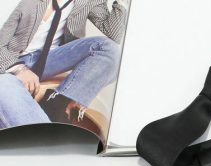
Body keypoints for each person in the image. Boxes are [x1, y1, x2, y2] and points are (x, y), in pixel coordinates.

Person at [0, 0, 128, 128]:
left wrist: (122, 3)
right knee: (4, 84)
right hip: (18, 59)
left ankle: (57, 103)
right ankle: (45, 134)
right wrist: (20, 69)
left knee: (109, 49)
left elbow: (114, 34)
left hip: (53, 58)